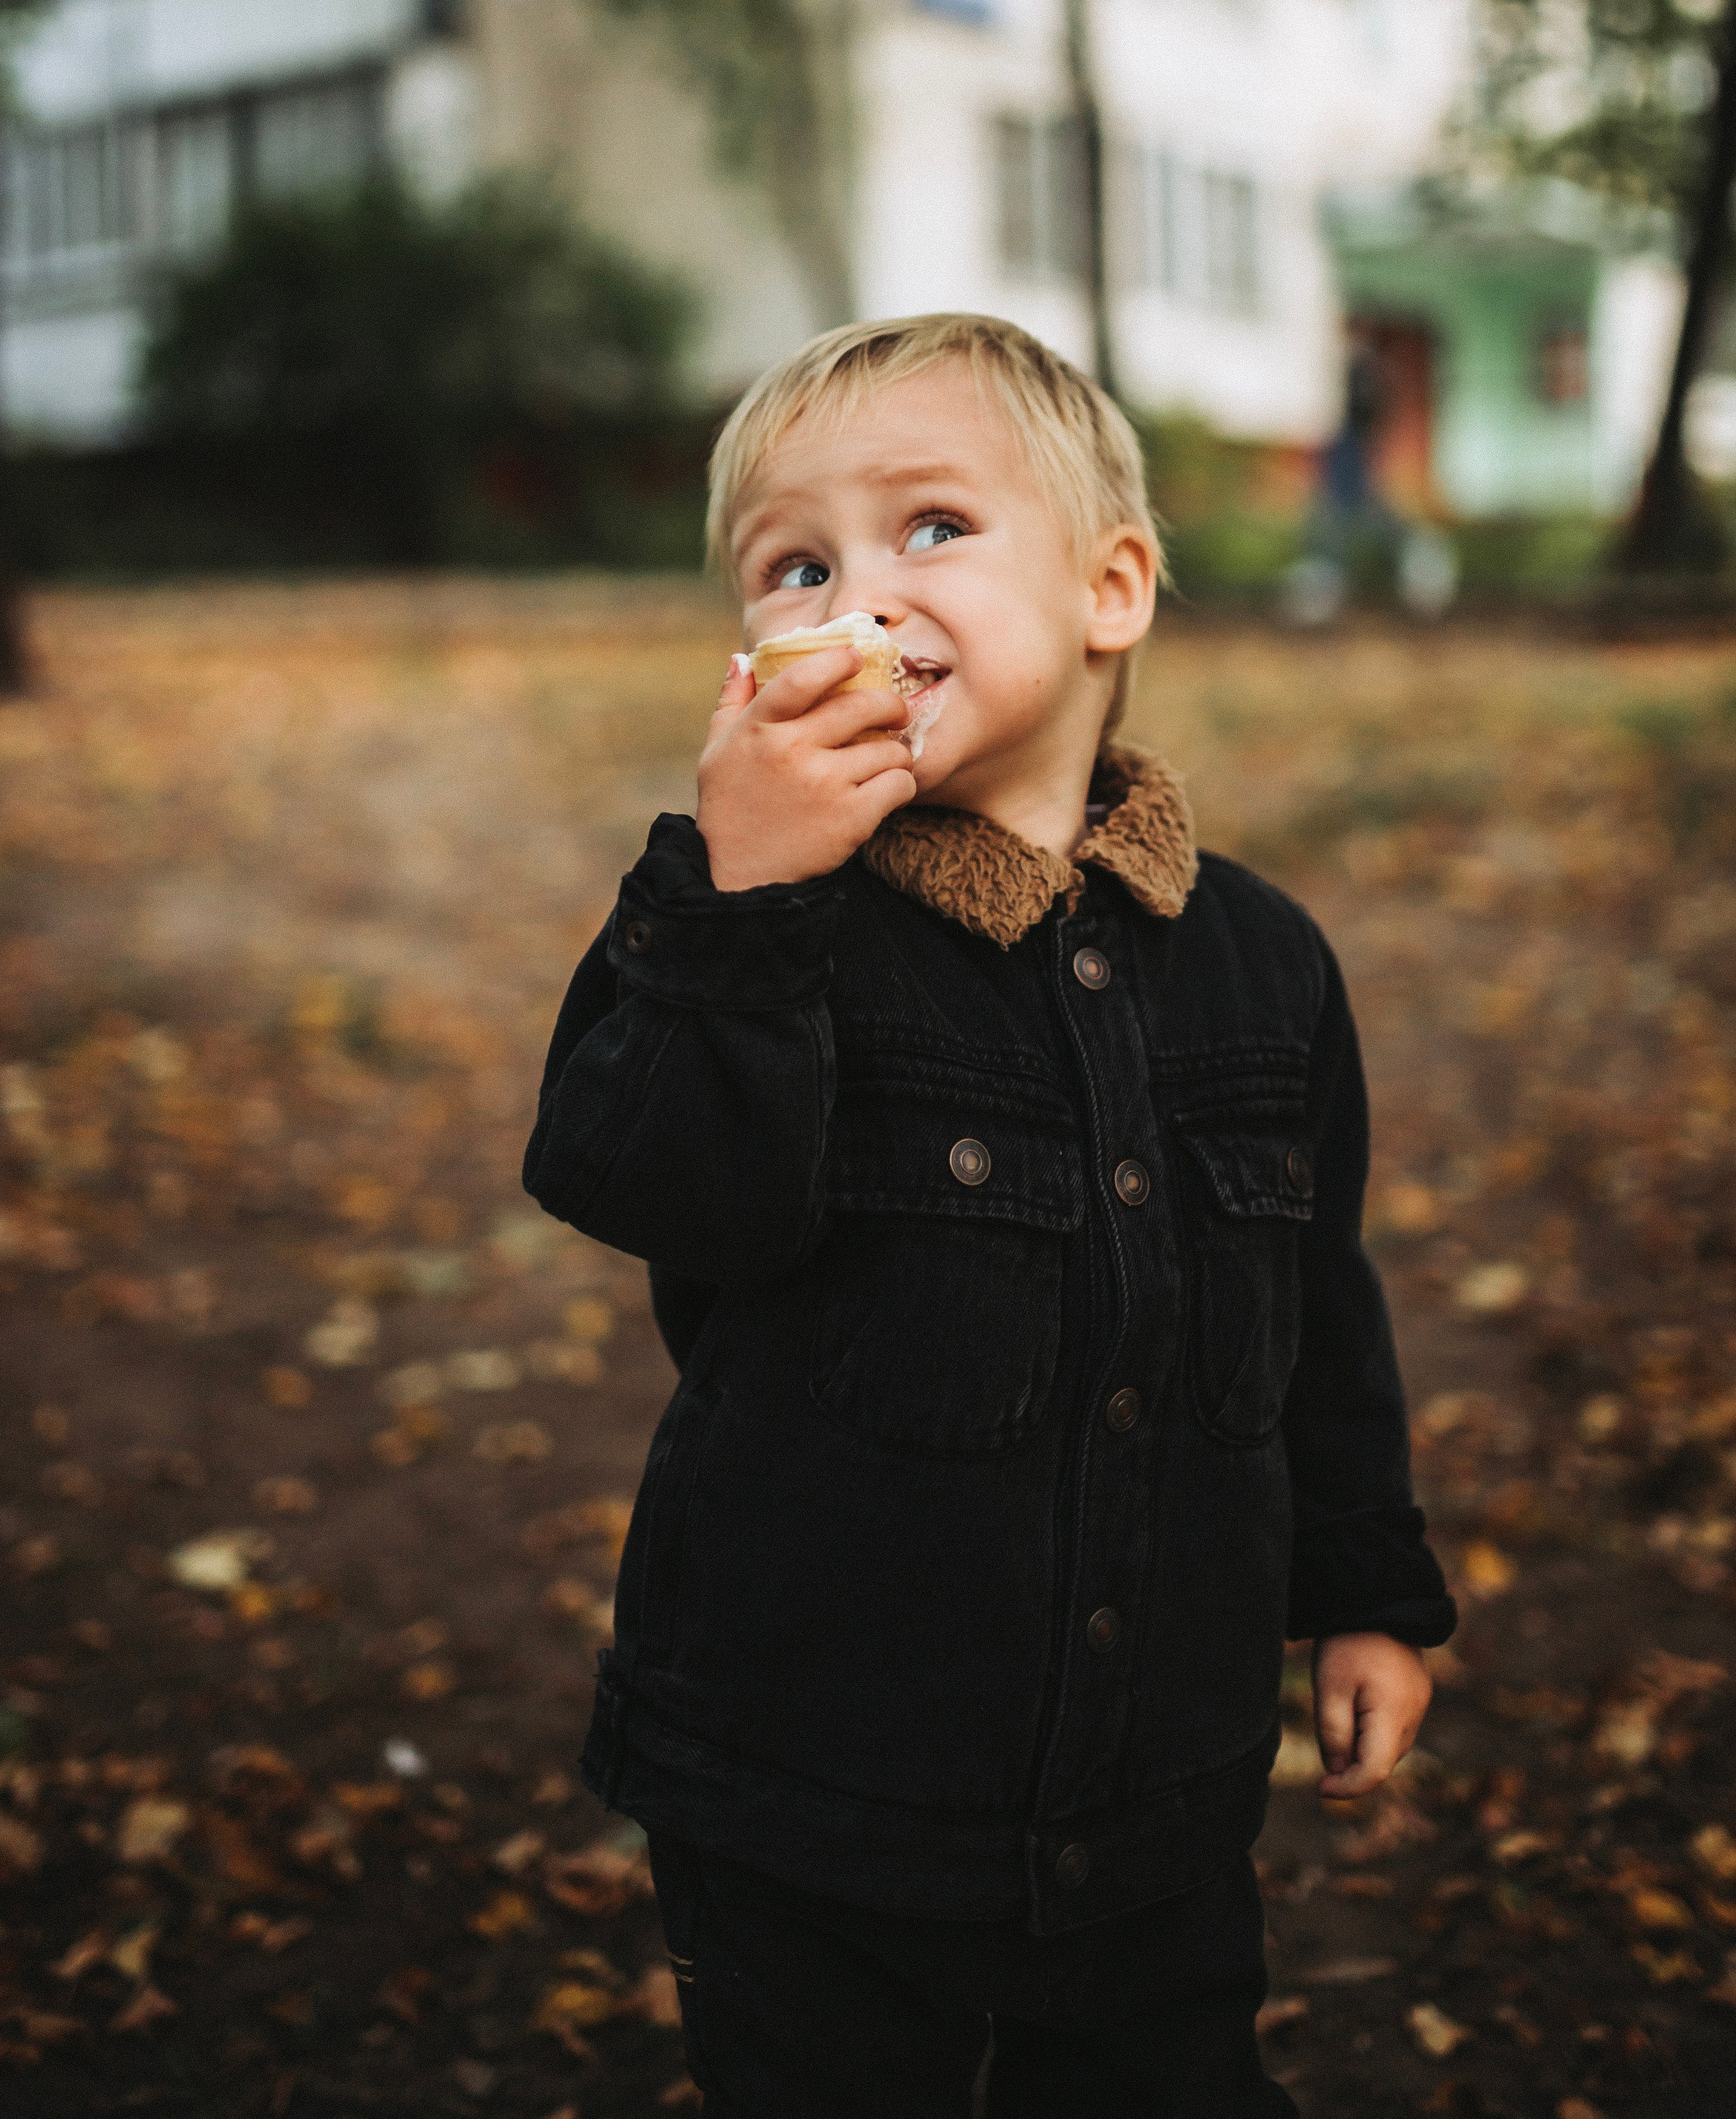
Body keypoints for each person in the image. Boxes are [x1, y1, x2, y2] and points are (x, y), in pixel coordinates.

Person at [523, 314, 1455, 2118]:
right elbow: (643, 1186)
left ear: (1109, 590)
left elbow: (1312, 1311)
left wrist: (1364, 1593)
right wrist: (740, 894)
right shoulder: (747, 923)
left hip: (1155, 1790)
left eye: (928, 529)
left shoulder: (1263, 964)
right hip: (810, 1794)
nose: (853, 595)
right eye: (795, 565)